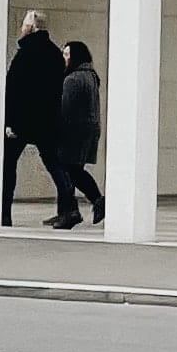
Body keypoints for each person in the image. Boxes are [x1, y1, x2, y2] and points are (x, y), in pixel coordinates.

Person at [3, 10, 76, 228]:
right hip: (47, 121)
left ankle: (4, 213)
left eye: (25, 23)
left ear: (33, 27)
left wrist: (10, 122)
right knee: (55, 165)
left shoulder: (25, 53)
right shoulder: (54, 53)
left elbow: (14, 90)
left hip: (22, 121)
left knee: (7, 166)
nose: (22, 27)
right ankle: (70, 208)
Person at [57, 40, 106, 226]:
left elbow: (65, 109)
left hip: (74, 132)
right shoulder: (91, 76)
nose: (64, 58)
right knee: (73, 170)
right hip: (88, 130)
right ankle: (68, 209)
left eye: (67, 54)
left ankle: (93, 202)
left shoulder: (73, 79)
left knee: (69, 170)